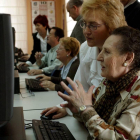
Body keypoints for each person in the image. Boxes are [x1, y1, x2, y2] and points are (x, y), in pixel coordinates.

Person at [41, 0, 127, 119]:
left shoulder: (126, 54)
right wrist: (66, 108)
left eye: (93, 25)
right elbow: (81, 90)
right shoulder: (86, 48)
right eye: (84, 24)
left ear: (111, 25)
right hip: (91, 121)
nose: (86, 31)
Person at [58, 26, 140, 140]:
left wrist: (85, 109)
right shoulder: (109, 81)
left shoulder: (138, 93)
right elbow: (92, 118)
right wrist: (78, 109)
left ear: (128, 58)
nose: (98, 57)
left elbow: (118, 138)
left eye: (106, 52)